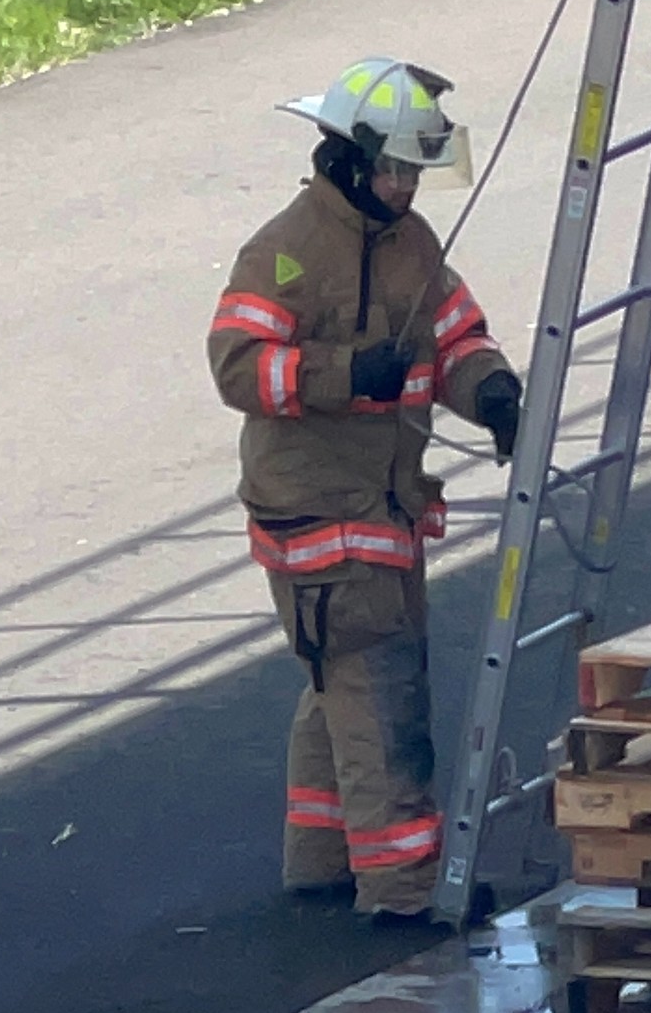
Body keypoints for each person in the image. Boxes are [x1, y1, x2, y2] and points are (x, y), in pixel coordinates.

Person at [208, 56, 521, 921]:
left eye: (415, 170)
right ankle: (404, 882)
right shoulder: (285, 254)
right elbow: (239, 367)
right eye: (392, 169)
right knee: (379, 692)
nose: (406, 186)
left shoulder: (409, 244)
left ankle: (322, 853)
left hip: (380, 505)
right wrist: (347, 372)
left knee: (337, 680)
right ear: (347, 161)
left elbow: (455, 336)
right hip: (320, 514)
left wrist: (490, 389)